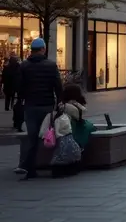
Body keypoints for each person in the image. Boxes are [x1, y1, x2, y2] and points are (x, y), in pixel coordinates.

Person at [15, 38, 63, 179]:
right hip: (47, 105)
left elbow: (19, 87)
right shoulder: (51, 65)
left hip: (30, 105)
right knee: (49, 135)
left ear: (31, 50)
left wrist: (23, 98)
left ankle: (30, 169)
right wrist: (59, 101)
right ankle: (55, 165)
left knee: (32, 137)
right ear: (43, 49)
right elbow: (58, 86)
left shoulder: (24, 66)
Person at [49, 83, 93, 178]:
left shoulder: (62, 104)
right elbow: (81, 113)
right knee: (88, 128)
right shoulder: (70, 107)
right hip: (69, 132)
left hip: (63, 131)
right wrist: (76, 103)